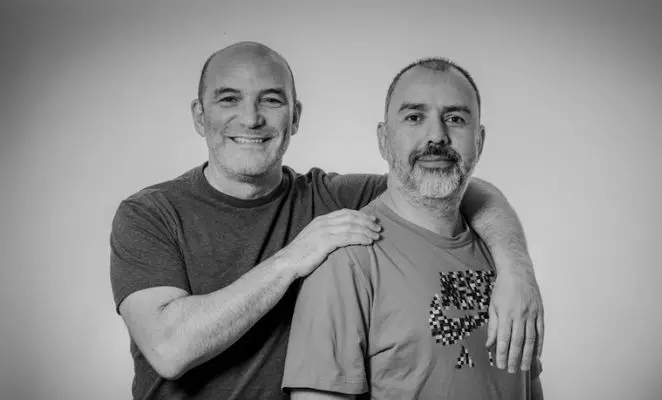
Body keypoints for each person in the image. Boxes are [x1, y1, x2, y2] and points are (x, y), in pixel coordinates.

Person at [110, 42, 543, 399]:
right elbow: (168, 348)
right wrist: (291, 259)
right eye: (228, 99)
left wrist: (517, 270)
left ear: (295, 116)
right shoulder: (150, 215)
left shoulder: (331, 197)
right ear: (199, 115)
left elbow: (454, 182)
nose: (251, 118)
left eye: (271, 100)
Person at [282, 58, 543, 399]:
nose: (437, 135)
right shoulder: (347, 264)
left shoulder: (505, 258)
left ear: (479, 141)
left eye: (455, 118)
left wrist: (518, 267)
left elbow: (526, 385)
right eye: (414, 117)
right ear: (383, 139)